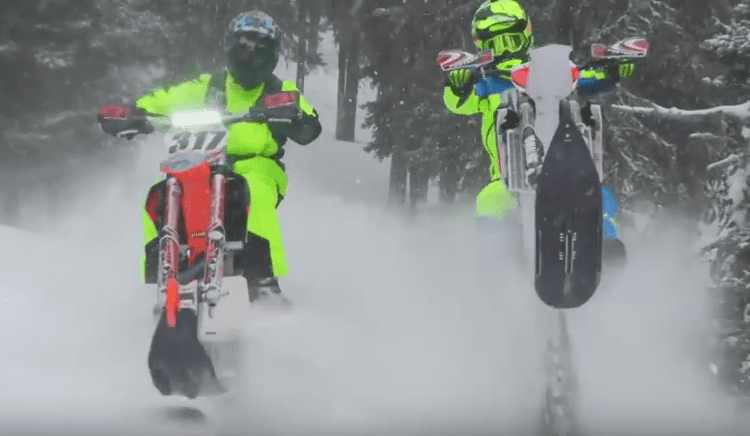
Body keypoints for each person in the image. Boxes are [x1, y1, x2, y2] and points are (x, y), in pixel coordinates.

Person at [97, 10, 322, 305]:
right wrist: (134, 114)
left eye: (259, 50)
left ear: (272, 56)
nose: (250, 57)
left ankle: (265, 281)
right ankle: (166, 270)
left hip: (257, 165)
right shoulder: (210, 85)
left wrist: (295, 117)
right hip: (201, 163)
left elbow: (308, 123)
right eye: (243, 48)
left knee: (255, 193)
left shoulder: (280, 90)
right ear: (231, 47)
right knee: (160, 194)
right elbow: (166, 99)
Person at [443, 0, 635, 248]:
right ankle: (492, 258)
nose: (506, 51)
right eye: (496, 45)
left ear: (526, 35)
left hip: (564, 165)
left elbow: (583, 78)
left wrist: (612, 70)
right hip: (507, 177)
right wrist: (458, 84)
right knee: (489, 200)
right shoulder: (487, 84)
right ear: (483, 47)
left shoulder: (548, 71)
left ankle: (608, 247)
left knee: (601, 194)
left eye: (511, 41)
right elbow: (458, 103)